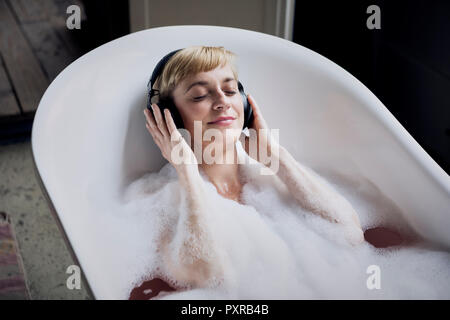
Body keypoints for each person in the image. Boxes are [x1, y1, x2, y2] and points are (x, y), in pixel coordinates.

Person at [142, 46, 364, 293]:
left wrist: (276, 157)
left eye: (230, 90)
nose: (223, 101)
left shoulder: (272, 178)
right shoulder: (163, 202)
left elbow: (350, 232)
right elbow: (209, 278)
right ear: (168, 116)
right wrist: (187, 172)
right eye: (199, 95)